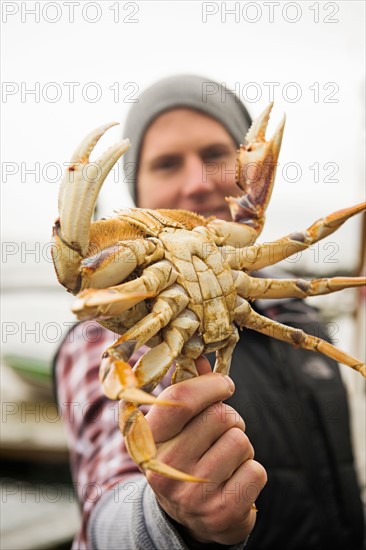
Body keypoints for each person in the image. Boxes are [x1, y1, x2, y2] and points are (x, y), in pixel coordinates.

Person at [54, 75, 365, 549]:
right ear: (136, 190)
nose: (196, 182)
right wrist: (169, 518)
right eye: (166, 164)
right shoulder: (103, 332)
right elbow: (104, 506)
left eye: (215, 157)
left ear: (247, 179)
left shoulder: (294, 310)